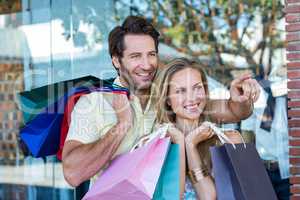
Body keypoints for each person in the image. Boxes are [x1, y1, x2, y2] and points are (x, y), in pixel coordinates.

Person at [61, 15, 260, 189]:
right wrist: (122, 126)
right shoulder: (94, 103)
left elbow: (235, 111)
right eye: (136, 56)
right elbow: (73, 174)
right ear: (116, 60)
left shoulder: (169, 94)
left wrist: (240, 99)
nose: (147, 65)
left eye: (152, 55)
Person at [153, 58, 248, 199]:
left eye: (197, 87)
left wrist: (190, 146)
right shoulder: (154, 145)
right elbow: (170, 197)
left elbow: (209, 197)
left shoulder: (229, 140)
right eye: (180, 91)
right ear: (167, 100)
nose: (191, 98)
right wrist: (179, 142)